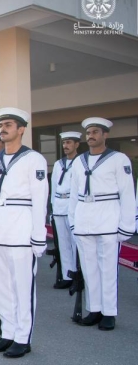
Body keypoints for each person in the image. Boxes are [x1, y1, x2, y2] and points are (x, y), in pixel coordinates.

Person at [0, 107, 48, 358]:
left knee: (23, 288)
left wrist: (38, 236)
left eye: (9, 124)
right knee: (3, 288)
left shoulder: (34, 160)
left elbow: (40, 200)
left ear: (21, 129)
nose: (3, 128)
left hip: (21, 234)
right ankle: (8, 333)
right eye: (1, 124)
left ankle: (23, 337)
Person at [68, 117, 134, 331]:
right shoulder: (79, 161)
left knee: (107, 269)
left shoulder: (119, 159)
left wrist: (126, 225)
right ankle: (94, 308)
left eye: (96, 131)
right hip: (85, 220)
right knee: (89, 268)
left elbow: (127, 193)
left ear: (106, 135)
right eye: (88, 132)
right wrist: (73, 221)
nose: (91, 136)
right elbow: (73, 195)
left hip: (108, 219)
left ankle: (109, 312)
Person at [50, 131, 82, 289]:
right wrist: (52, 207)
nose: (66, 146)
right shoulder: (58, 164)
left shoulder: (81, 162)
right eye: (64, 143)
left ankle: (79, 275)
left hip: (73, 205)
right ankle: (67, 275)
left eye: (69, 142)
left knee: (76, 242)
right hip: (59, 205)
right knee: (62, 243)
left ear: (77, 144)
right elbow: (53, 187)